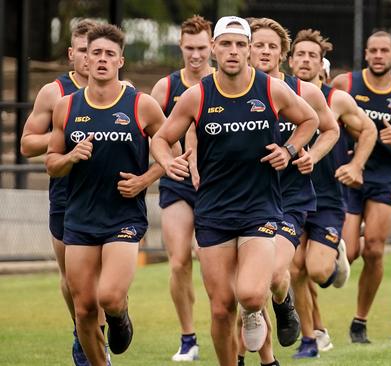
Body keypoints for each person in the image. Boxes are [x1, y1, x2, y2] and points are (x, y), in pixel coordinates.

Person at [150, 16, 318, 366]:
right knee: (222, 308)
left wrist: (288, 151)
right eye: (226, 43)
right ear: (214, 48)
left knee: (252, 295)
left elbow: (310, 120)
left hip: (261, 208)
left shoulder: (270, 89)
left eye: (241, 44)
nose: (233, 51)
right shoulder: (197, 96)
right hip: (213, 213)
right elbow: (162, 138)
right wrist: (168, 163)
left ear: (249, 50)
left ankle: (265, 309)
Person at [46, 23, 170, 365]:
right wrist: (70, 157)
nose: (100, 59)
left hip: (123, 217)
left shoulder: (141, 105)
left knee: (110, 297)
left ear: (120, 61)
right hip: (80, 217)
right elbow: (51, 163)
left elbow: (170, 147)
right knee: (84, 308)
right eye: (94, 52)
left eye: (109, 54)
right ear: (83, 58)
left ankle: (121, 314)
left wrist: (145, 180)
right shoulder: (66, 107)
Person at [247, 17, 339, 360]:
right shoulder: (229, 92)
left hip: (289, 199)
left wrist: (311, 155)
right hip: (245, 199)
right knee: (244, 291)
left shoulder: (305, 92)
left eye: (273, 46)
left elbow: (330, 129)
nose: (265, 51)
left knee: (274, 274)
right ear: (247, 49)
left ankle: (284, 302)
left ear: (283, 54)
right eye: (258, 44)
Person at [332, 30, 391, 343]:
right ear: (366, 53)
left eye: (383, 51)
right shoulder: (346, 84)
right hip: (350, 175)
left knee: (374, 249)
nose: (377, 55)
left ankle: (359, 322)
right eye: (372, 50)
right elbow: (324, 119)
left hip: (386, 179)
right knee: (349, 251)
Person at [287, 28, 377, 358]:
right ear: (291, 60)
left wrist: (356, 167)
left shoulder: (335, 98)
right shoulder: (278, 93)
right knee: (293, 269)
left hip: (327, 199)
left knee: (317, 270)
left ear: (321, 64)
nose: (305, 60)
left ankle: (333, 254)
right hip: (291, 197)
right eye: (300, 54)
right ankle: (311, 338)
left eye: (312, 55)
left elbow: (368, 129)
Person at [20, 19, 99, 366]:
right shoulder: (55, 92)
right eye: (83, 51)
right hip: (67, 193)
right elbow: (26, 143)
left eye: (95, 51)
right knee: (72, 279)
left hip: (110, 194)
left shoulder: (123, 92)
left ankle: (105, 323)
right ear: (71, 54)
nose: (89, 58)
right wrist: (62, 137)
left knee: (108, 284)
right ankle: (81, 331)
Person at [150, 15, 215, 362]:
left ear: (213, 47)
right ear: (180, 47)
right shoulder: (165, 87)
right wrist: (161, 169)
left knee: (211, 260)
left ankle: (229, 322)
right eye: (189, 48)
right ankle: (188, 338)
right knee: (178, 262)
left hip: (217, 185)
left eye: (202, 48)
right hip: (176, 183)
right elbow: (151, 135)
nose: (195, 55)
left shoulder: (225, 83)